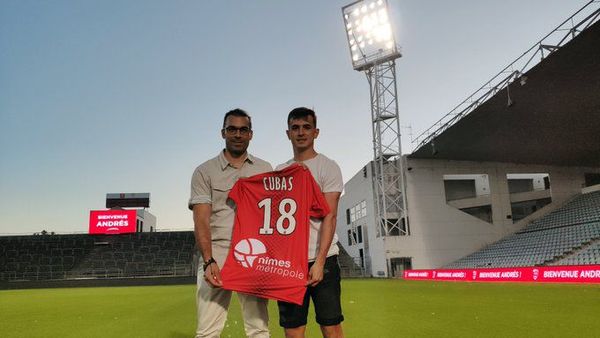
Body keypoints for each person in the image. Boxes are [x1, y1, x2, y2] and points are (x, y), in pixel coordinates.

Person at [189, 108, 272, 338]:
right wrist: (208, 260)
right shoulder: (204, 171)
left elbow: (272, 218)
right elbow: (201, 219)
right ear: (222, 133)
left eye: (243, 129)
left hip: (254, 254)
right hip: (219, 253)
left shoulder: (265, 169)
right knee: (207, 332)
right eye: (232, 129)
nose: (237, 134)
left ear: (250, 134)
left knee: (259, 330)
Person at [276, 107, 345, 338]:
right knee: (293, 330)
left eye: (306, 127)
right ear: (288, 133)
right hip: (289, 263)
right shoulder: (280, 171)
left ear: (316, 132)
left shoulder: (328, 167)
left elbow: (330, 216)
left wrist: (320, 261)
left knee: (331, 326)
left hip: (322, 259)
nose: (301, 132)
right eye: (295, 128)